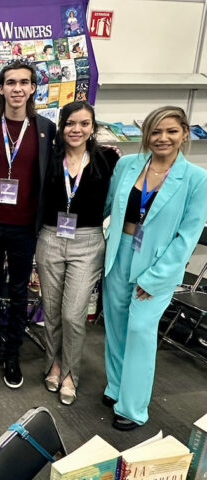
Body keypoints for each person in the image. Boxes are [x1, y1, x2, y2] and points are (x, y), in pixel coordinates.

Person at [102, 106, 207, 430]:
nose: (163, 138)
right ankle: (116, 387)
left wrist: (157, 276)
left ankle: (133, 407)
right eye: (156, 131)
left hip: (159, 263)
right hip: (119, 253)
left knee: (140, 331)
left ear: (184, 134)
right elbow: (108, 206)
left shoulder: (196, 178)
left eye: (171, 131)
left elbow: (188, 235)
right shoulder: (126, 165)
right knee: (117, 326)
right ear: (146, 133)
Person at [0, 60, 56, 388]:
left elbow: (59, 169)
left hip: (24, 225)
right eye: (10, 82)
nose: (17, 88)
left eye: (24, 82)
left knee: (19, 291)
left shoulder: (45, 128)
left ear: (33, 88)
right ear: (1, 88)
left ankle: (12, 354)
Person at [34, 101, 120, 405]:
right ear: (62, 126)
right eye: (71, 123)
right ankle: (54, 365)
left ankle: (71, 373)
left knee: (73, 314)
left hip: (87, 241)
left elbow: (113, 201)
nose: (77, 129)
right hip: (50, 238)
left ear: (92, 127)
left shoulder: (108, 159)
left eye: (84, 124)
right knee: (53, 311)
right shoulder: (49, 157)